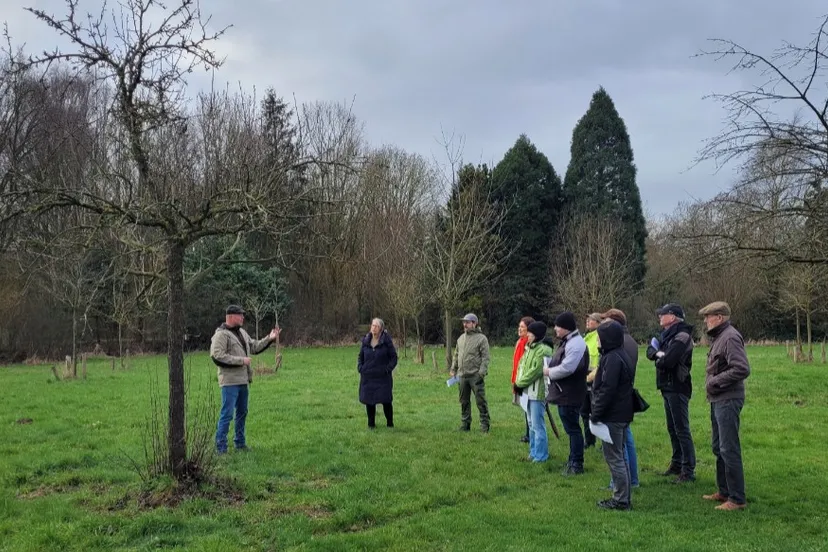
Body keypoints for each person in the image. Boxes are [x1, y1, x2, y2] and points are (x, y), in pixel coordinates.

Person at [699, 301, 751, 511]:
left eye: (708, 316)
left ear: (719, 317)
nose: (705, 321)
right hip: (718, 399)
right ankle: (724, 491)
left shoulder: (730, 337)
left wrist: (715, 381)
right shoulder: (720, 337)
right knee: (718, 447)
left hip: (728, 399)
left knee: (729, 448)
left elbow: (742, 368)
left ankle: (737, 499)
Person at [210, 304, 280, 454]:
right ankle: (221, 448)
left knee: (242, 412)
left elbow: (254, 346)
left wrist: (270, 338)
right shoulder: (221, 335)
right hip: (229, 382)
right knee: (227, 414)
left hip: (243, 380)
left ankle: (240, 443)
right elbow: (217, 356)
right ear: (231, 316)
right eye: (240, 315)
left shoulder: (242, 332)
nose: (243, 317)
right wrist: (241, 361)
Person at [646, 303, 697, 483]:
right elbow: (650, 352)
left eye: (663, 314)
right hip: (667, 386)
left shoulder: (682, 336)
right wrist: (659, 355)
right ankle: (676, 464)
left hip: (678, 386)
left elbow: (668, 361)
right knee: (672, 428)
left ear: (673, 317)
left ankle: (688, 470)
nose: (659, 317)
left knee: (681, 429)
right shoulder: (667, 336)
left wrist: (658, 356)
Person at [591, 320, 635, 510]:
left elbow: (607, 389)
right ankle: (623, 496)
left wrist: (596, 413)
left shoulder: (612, 359)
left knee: (615, 457)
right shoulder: (620, 354)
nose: (597, 341)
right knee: (620, 456)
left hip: (613, 415)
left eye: (599, 338)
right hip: (622, 413)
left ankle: (621, 499)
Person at [544, 311, 589, 475]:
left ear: (566, 327)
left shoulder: (575, 344)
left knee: (573, 429)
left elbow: (568, 368)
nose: (555, 329)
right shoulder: (569, 341)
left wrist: (549, 372)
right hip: (566, 392)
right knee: (571, 428)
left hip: (570, 393)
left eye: (558, 326)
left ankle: (577, 463)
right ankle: (572, 459)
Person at [599, 308, 640, 488]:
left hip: (618, 403)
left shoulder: (621, 343)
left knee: (619, 447)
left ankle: (621, 484)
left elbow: (613, 378)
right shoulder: (628, 341)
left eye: (606, 321)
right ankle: (631, 480)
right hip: (623, 400)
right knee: (625, 441)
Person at [513, 321, 555, 462]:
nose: (528, 336)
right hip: (527, 392)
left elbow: (535, 371)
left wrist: (519, 383)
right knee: (531, 424)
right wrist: (518, 383)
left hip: (537, 392)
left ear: (536, 335)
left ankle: (541, 455)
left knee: (538, 425)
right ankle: (533, 452)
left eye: (530, 334)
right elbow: (522, 366)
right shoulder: (529, 348)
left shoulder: (543, 350)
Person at [449, 313, 491, 433]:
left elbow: (485, 358)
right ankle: (465, 424)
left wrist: (481, 373)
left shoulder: (481, 339)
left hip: (475, 376)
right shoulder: (461, 338)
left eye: (467, 322)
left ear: (474, 323)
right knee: (464, 401)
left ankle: (484, 425)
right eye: (464, 322)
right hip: (462, 376)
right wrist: (453, 369)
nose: (465, 324)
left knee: (480, 401)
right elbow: (456, 355)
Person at [358, 318, 398, 429]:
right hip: (368, 376)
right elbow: (360, 356)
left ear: (381, 328)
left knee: (386, 401)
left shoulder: (386, 341)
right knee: (369, 401)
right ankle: (371, 424)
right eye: (372, 325)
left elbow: (394, 358)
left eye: (376, 326)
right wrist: (361, 368)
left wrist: (387, 369)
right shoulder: (366, 340)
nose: (374, 328)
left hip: (382, 377)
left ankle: (390, 423)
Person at [512, 317, 535, 443]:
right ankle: (528, 433)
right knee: (525, 408)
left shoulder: (528, 343)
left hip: (525, 380)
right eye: (519, 326)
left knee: (528, 408)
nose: (519, 329)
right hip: (518, 379)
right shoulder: (520, 341)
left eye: (522, 327)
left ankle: (530, 434)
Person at [582, 313, 602, 448]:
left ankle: (604, 441)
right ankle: (589, 440)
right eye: (587, 319)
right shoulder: (586, 337)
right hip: (585, 376)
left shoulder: (599, 337)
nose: (588, 321)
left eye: (592, 319)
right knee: (584, 411)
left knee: (596, 410)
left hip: (595, 377)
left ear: (598, 323)